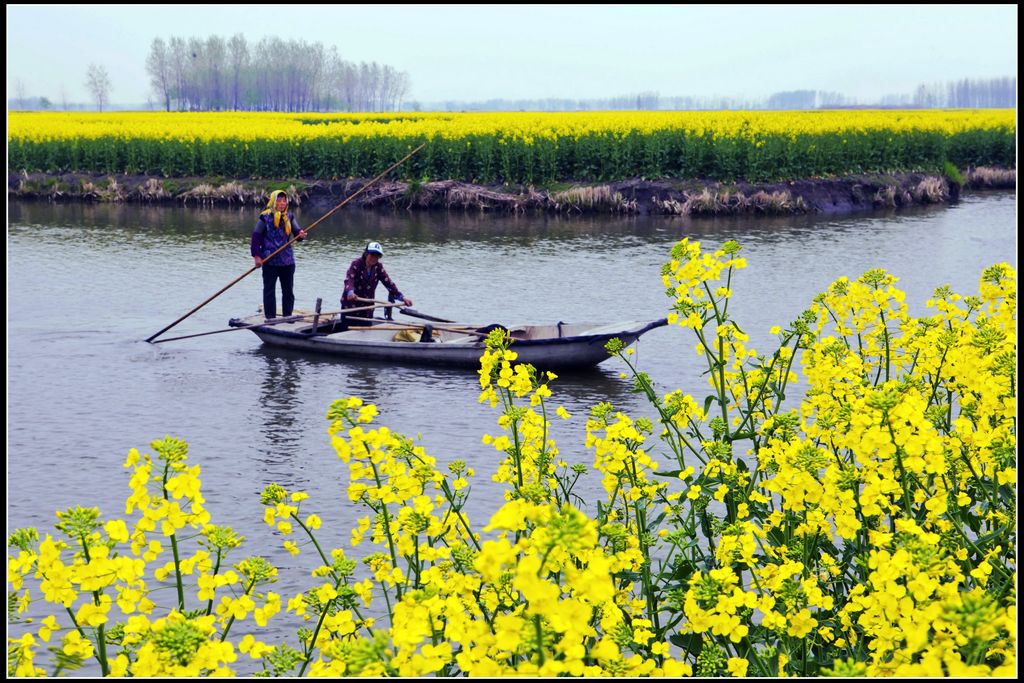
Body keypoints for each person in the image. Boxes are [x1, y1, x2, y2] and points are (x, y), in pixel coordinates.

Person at [252, 190, 308, 320]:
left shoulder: (289, 216)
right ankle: (270, 317)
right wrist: (257, 256)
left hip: (287, 261)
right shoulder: (264, 217)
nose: (282, 203)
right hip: (269, 261)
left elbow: (297, 232)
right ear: (273, 202)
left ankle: (287, 316)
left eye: (284, 201)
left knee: (288, 291)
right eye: (279, 200)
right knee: (269, 290)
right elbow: (256, 237)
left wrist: (301, 234)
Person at [342, 241, 412, 325]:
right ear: (366, 253)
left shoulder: (378, 267)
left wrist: (403, 298)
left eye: (378, 256)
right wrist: (350, 292)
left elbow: (389, 284)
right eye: (372, 255)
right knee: (347, 329)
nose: (374, 258)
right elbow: (349, 279)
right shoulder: (356, 264)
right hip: (351, 308)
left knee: (365, 332)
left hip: (367, 309)